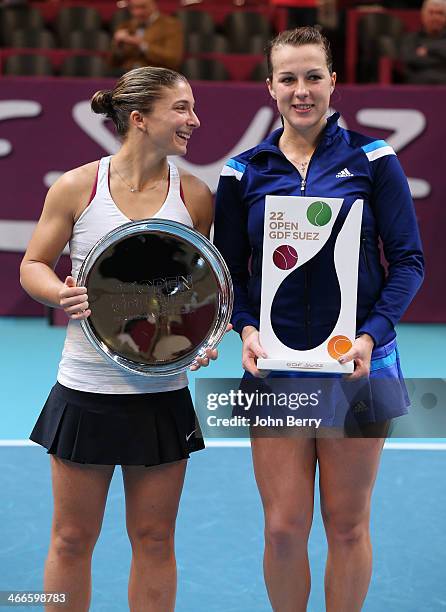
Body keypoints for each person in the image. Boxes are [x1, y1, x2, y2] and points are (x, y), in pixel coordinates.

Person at [214, 27, 424, 611]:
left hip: (359, 365)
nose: (301, 90)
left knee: (346, 526)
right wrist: (247, 329)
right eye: (288, 79)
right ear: (269, 88)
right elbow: (229, 273)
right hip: (276, 370)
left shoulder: (375, 160)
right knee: (283, 528)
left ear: (333, 82)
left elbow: (408, 261)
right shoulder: (242, 172)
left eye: (313, 77)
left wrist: (369, 336)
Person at [20, 66, 218, 612]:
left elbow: (207, 291)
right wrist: (59, 294)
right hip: (85, 391)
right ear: (139, 118)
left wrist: (208, 334)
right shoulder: (77, 187)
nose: (194, 120)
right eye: (181, 109)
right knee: (71, 539)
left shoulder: (196, 196)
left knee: (154, 540)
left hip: (162, 396)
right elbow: (34, 264)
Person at [110, 0, 183, 74]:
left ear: (154, 5)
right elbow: (112, 63)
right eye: (133, 8)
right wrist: (118, 46)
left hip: (158, 76)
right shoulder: (126, 26)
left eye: (143, 7)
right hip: (127, 75)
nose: (137, 12)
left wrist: (141, 44)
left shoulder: (171, 25)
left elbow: (173, 60)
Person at [400, 0, 446, 84]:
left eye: (440, 13)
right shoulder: (411, 38)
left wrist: (428, 49)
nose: (435, 17)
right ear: (423, 15)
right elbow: (410, 59)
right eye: (431, 13)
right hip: (417, 87)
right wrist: (440, 59)